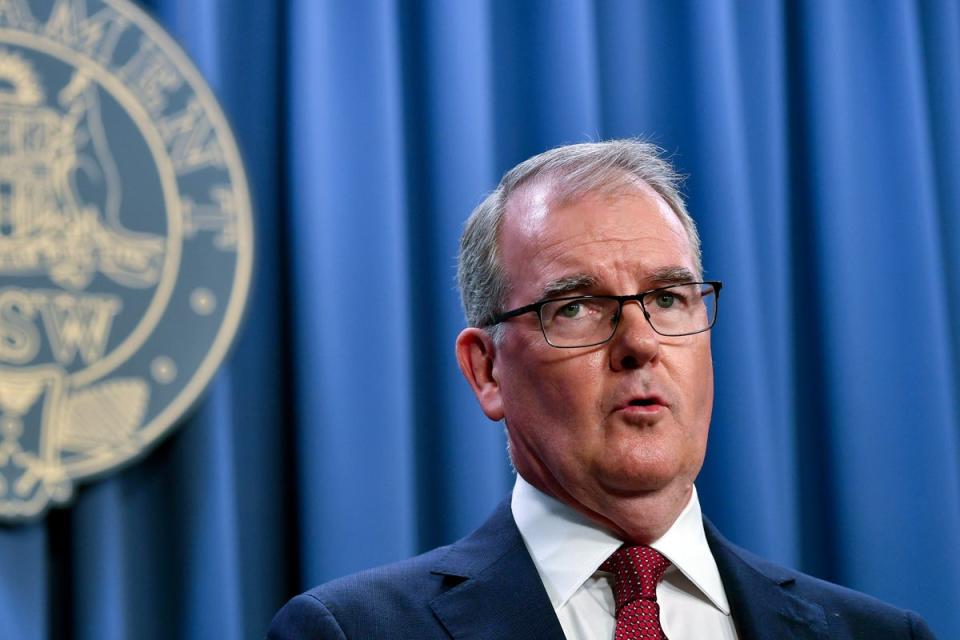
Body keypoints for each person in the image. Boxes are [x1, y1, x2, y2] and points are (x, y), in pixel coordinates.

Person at [268, 140, 936, 639]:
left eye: (669, 297)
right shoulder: (349, 633)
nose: (640, 343)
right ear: (487, 371)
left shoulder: (882, 635)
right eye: (577, 307)